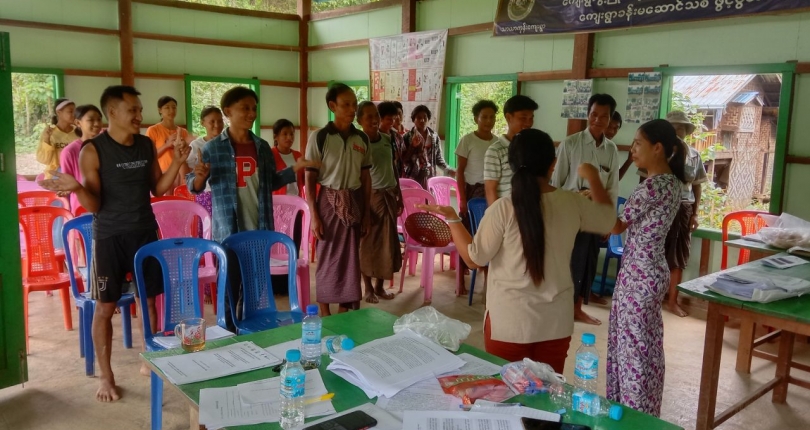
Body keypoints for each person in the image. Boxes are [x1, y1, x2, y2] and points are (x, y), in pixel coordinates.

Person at [416, 129, 616, 372]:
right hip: (555, 324)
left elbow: (474, 259)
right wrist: (593, 177)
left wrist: (454, 220)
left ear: (511, 166)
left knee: (507, 395)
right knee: (546, 397)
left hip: (509, 324)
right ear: (552, 165)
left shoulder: (503, 208)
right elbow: (608, 221)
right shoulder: (571, 203)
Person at [39, 85, 190, 403]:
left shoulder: (146, 145)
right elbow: (94, 205)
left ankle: (148, 359)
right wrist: (78, 187)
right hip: (109, 237)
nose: (139, 115)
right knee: (105, 308)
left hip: (144, 233)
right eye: (132, 110)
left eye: (139, 109)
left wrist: (176, 163)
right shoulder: (93, 151)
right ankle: (107, 377)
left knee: (148, 301)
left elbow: (158, 189)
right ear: (113, 113)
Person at [606, 119, 685, 417]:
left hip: (639, 275)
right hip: (650, 271)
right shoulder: (673, 183)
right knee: (644, 347)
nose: (633, 149)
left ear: (658, 147)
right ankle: (644, 411)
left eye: (638, 143)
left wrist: (595, 187)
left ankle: (632, 414)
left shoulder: (651, 187)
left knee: (633, 352)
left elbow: (615, 225)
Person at [187, 87, 313, 243]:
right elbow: (193, 185)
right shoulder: (213, 149)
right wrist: (200, 177)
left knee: (258, 267)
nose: (252, 114)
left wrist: (294, 169)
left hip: (260, 228)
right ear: (228, 111)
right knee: (231, 268)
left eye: (254, 109)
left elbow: (270, 183)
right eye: (245, 108)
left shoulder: (262, 147)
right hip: (228, 231)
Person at [552, 93, 620, 326]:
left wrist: (609, 221)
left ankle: (577, 308)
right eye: (593, 115)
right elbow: (556, 184)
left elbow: (612, 188)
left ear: (610, 119)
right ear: (587, 115)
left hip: (594, 215)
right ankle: (564, 308)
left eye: (604, 116)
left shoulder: (611, 150)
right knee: (568, 262)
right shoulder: (570, 144)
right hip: (570, 214)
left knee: (588, 261)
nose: (598, 120)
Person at [305, 83, 372, 316]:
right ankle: (325, 309)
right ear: (332, 106)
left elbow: (366, 178)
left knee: (351, 258)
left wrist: (365, 213)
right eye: (346, 104)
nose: (352, 109)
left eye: (354, 104)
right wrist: (314, 215)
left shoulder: (361, 139)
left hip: (354, 200)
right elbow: (310, 180)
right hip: (328, 201)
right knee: (327, 256)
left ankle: (345, 309)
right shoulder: (320, 137)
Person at [655, 110, 707, 317]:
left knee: (678, 256)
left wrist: (694, 214)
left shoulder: (694, 156)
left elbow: (697, 186)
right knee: (656, 252)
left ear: (686, 132)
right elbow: (646, 183)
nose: (676, 132)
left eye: (680, 128)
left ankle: (672, 301)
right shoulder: (657, 152)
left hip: (684, 208)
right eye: (672, 128)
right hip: (660, 208)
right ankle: (654, 298)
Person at [356, 101, 403, 304]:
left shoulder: (386, 138)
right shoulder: (358, 143)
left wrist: (399, 193)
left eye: (376, 115)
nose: (374, 120)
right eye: (368, 117)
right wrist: (364, 207)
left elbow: (392, 168)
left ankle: (380, 287)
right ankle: (367, 289)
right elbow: (358, 176)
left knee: (388, 243)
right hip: (371, 198)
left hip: (390, 194)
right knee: (369, 244)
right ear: (359, 121)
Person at [483, 95, 538, 205]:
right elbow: (490, 189)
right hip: (508, 211)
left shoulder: (534, 147)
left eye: (531, 118)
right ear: (508, 117)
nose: (528, 123)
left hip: (532, 210)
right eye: (523, 118)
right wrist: (496, 216)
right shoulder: (495, 150)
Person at [60, 104, 103, 214]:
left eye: (99, 119)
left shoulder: (108, 147)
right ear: (78, 123)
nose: (97, 123)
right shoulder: (69, 152)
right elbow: (68, 184)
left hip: (108, 205)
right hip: (83, 206)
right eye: (91, 120)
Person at [182, 105, 224, 216]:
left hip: (225, 193)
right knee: (207, 230)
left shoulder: (228, 144)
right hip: (206, 194)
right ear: (202, 123)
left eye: (220, 121)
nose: (217, 125)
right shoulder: (196, 145)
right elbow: (188, 173)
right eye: (212, 121)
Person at [401, 105, 454, 188]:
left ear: (428, 119)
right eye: (418, 118)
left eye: (425, 117)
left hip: (430, 178)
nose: (422, 120)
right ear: (413, 120)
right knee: (415, 200)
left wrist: (448, 170)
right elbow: (404, 160)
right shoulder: (407, 137)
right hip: (412, 178)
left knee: (429, 199)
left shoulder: (434, 137)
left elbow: (438, 159)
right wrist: (412, 146)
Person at [146, 96, 194, 183]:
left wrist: (187, 145)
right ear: (160, 110)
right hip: (163, 174)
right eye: (167, 107)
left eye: (174, 107)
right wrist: (167, 145)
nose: (171, 110)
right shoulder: (153, 130)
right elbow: (149, 157)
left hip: (181, 173)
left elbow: (187, 155)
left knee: (181, 195)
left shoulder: (183, 132)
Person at [37, 98, 78, 179]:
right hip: (55, 175)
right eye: (70, 111)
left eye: (75, 111)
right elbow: (44, 160)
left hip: (75, 173)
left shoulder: (78, 132)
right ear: (59, 112)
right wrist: (46, 139)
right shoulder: (49, 133)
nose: (74, 114)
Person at [270, 118, 305, 198]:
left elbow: (303, 180)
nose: (289, 138)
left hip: (297, 200)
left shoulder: (298, 155)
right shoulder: (270, 155)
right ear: (276, 137)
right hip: (278, 203)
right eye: (285, 134)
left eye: (291, 134)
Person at [378, 101, 403, 177]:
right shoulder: (375, 137)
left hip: (396, 174)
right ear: (380, 118)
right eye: (389, 119)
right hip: (381, 176)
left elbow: (403, 156)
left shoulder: (397, 136)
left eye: (394, 118)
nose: (392, 122)